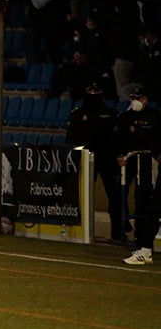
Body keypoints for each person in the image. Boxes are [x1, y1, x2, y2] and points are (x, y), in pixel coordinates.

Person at [64, 83, 122, 242]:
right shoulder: (77, 114)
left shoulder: (111, 114)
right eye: (91, 91)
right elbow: (70, 140)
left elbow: (118, 139)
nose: (93, 94)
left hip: (109, 160)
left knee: (115, 196)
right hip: (85, 160)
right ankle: (80, 230)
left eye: (96, 91)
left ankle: (118, 231)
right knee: (82, 196)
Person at [112, 84, 161, 264]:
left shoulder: (155, 117)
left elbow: (156, 141)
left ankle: (144, 244)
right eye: (134, 98)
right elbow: (117, 139)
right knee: (148, 205)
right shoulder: (125, 117)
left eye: (139, 98)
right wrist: (119, 155)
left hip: (149, 163)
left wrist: (155, 155)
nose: (136, 101)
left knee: (147, 201)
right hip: (130, 160)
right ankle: (139, 243)